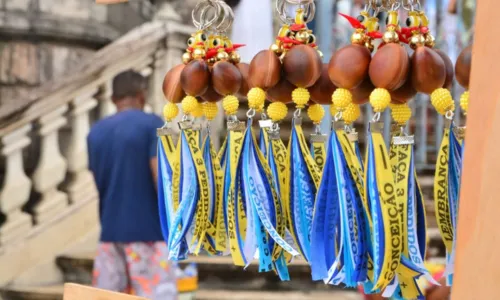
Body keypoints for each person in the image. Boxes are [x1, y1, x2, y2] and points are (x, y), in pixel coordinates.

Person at [88, 70, 177, 299]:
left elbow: (99, 181)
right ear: (142, 95)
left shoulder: (95, 133)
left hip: (110, 233)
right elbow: (160, 176)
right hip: (148, 233)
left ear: (113, 99)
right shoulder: (152, 125)